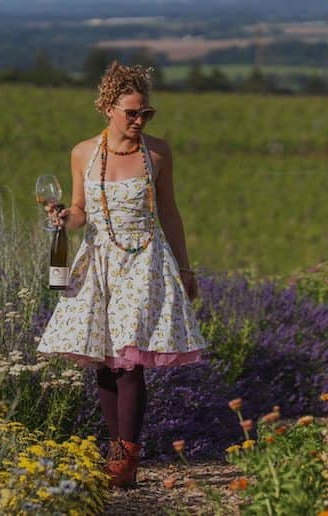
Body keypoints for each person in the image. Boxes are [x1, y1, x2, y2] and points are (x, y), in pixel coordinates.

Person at [36, 61, 207, 488]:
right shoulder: (83, 153)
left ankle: (125, 458)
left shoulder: (158, 153)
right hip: (98, 260)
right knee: (105, 360)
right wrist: (61, 219)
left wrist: (185, 267)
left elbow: (169, 212)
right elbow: (80, 213)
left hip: (144, 259)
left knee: (131, 362)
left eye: (145, 112)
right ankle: (115, 453)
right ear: (107, 108)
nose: (139, 120)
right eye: (131, 112)